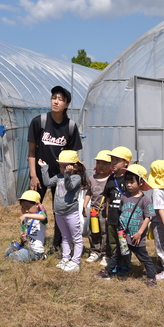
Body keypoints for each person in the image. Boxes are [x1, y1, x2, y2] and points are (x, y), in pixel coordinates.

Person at [27, 86, 83, 253]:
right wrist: (33, 175)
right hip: (39, 174)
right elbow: (31, 151)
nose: (56, 101)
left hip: (61, 177)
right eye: (54, 98)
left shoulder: (71, 127)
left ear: (67, 104)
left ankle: (57, 245)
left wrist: (70, 178)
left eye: (60, 99)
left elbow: (73, 157)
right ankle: (30, 239)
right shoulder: (39, 122)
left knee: (61, 210)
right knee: (31, 205)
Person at [103, 164, 157, 286]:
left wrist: (139, 233)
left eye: (132, 182)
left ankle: (151, 277)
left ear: (141, 182)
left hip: (136, 237)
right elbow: (122, 212)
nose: (128, 185)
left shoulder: (145, 200)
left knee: (144, 258)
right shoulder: (124, 197)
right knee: (117, 255)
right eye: (127, 182)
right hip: (124, 235)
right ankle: (107, 271)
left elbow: (148, 218)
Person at [40, 150, 88, 272]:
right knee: (65, 236)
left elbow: (69, 186)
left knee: (76, 237)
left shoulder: (76, 177)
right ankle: (65, 258)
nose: (61, 169)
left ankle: (75, 262)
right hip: (59, 212)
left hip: (71, 212)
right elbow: (47, 182)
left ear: (74, 166)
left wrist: (67, 174)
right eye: (60, 166)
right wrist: (44, 168)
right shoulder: (58, 177)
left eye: (64, 166)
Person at [94, 146, 133, 278]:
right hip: (112, 217)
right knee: (112, 242)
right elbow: (108, 198)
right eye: (112, 160)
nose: (113, 163)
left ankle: (125, 264)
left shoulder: (129, 178)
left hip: (125, 218)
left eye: (117, 160)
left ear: (126, 163)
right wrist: (106, 212)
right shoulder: (111, 179)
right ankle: (115, 263)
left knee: (124, 243)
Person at [4, 190, 49, 262]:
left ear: (37, 204)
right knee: (7, 252)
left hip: (35, 250)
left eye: (28, 207)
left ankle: (41, 256)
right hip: (26, 247)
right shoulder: (26, 219)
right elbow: (22, 229)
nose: (26, 210)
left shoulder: (40, 214)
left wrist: (25, 215)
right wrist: (22, 234)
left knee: (12, 257)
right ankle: (23, 253)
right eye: (23, 208)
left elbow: (43, 217)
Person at [85, 150, 111, 264]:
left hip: (104, 210)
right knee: (93, 231)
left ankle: (105, 253)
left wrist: (108, 212)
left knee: (105, 232)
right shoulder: (92, 178)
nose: (101, 165)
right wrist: (84, 205)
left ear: (110, 165)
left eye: (104, 163)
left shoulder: (110, 179)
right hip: (93, 210)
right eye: (99, 163)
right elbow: (89, 192)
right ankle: (94, 251)